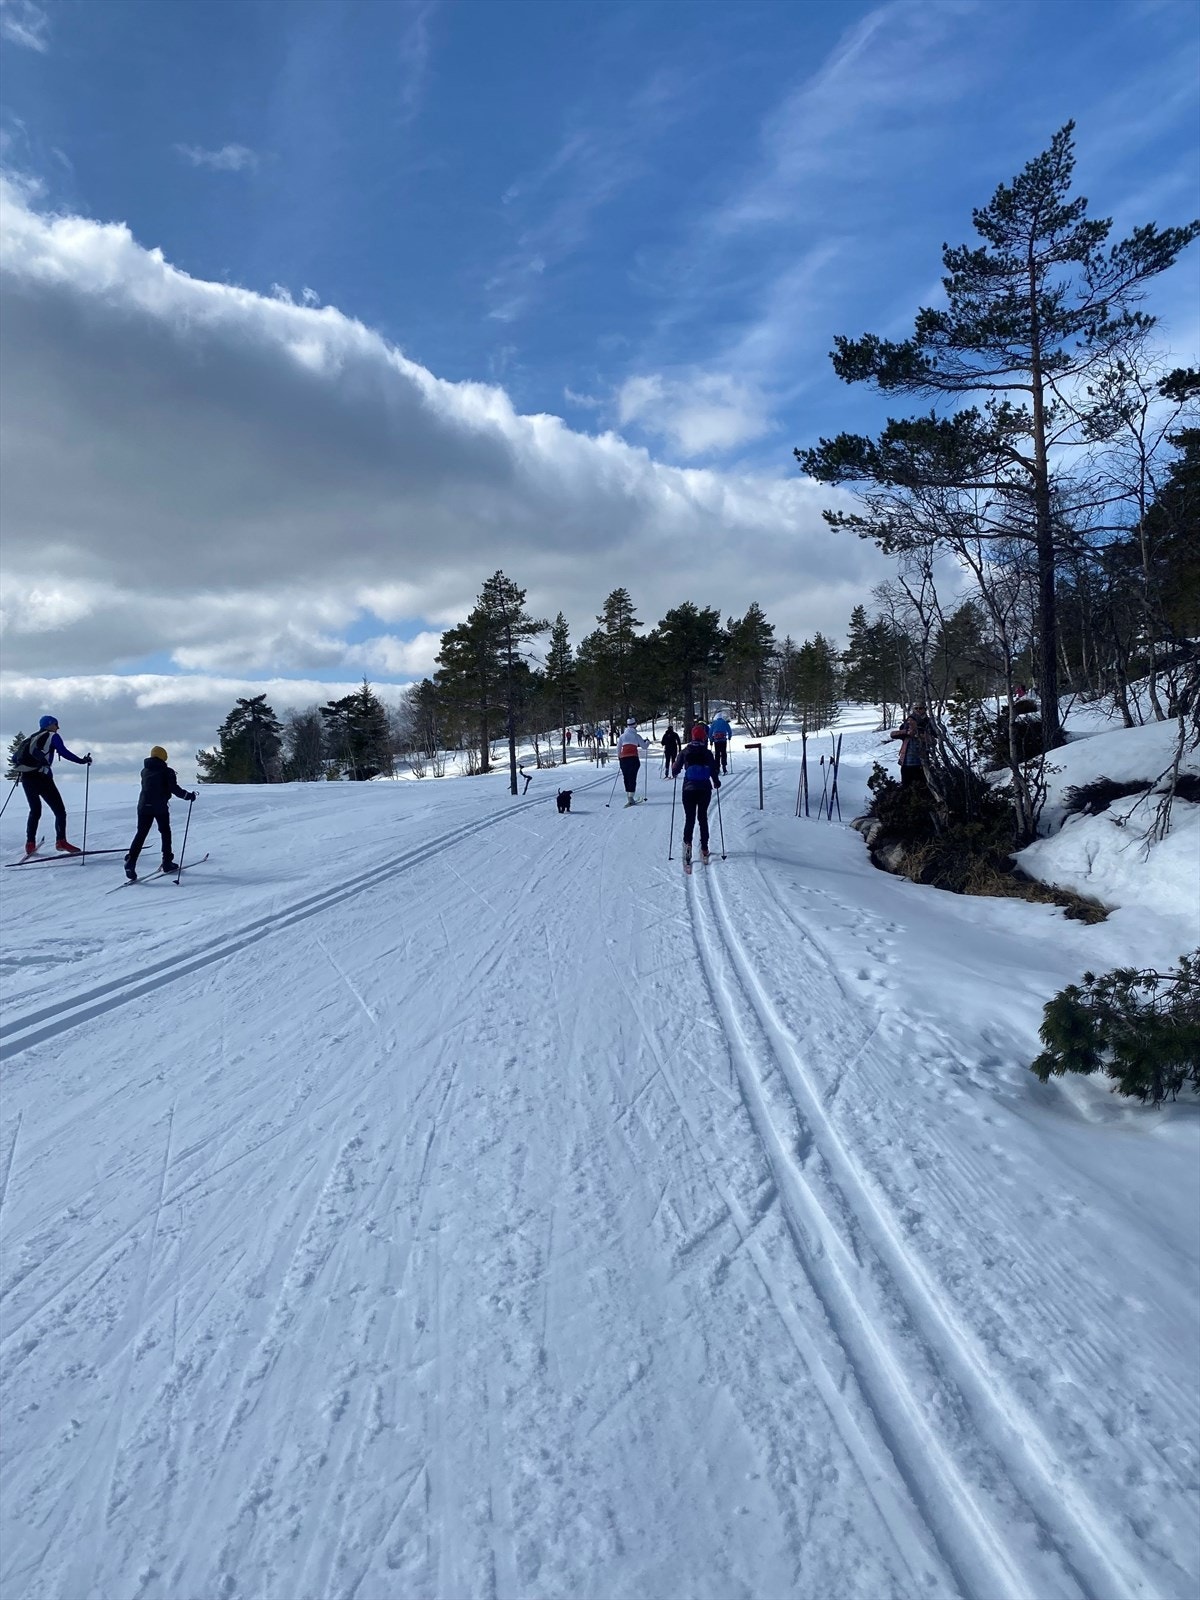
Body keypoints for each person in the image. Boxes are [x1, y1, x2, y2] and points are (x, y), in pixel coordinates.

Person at [11, 714, 91, 855]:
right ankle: (61, 841)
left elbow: (14, 757)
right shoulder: (52, 736)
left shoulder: (31, 738)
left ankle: (30, 844)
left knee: (35, 811)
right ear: (49, 724)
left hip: (27, 778)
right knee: (60, 811)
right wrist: (82, 761)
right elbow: (64, 752)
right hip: (42, 778)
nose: (58, 727)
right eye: (56, 724)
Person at [125, 746, 196, 880]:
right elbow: (174, 789)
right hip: (159, 807)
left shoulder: (144, 771)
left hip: (143, 806)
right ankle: (167, 862)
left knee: (141, 833)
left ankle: (131, 861)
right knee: (165, 832)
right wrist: (188, 796)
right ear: (164, 757)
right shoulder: (167, 771)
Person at [672, 724, 720, 867]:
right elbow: (713, 770)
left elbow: (675, 769)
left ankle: (688, 845)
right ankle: (704, 848)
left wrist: (675, 772)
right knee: (703, 817)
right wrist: (716, 782)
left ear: (692, 736)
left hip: (688, 789)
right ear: (704, 737)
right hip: (704, 789)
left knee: (690, 818)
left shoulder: (685, 751)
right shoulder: (707, 753)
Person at [890, 702, 934, 787]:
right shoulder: (906, 729)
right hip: (906, 763)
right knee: (906, 786)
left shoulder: (927, 724)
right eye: (916, 708)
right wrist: (907, 732)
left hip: (921, 764)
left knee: (921, 786)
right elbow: (893, 734)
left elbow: (933, 740)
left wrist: (919, 735)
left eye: (920, 708)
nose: (918, 710)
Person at [616, 717, 648, 805]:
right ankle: (631, 797)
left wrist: (619, 757)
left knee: (626, 777)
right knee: (632, 778)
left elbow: (618, 748)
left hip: (623, 759)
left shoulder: (622, 736)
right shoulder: (636, 736)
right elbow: (644, 747)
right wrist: (648, 742)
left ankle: (628, 797)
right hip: (633, 758)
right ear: (635, 725)